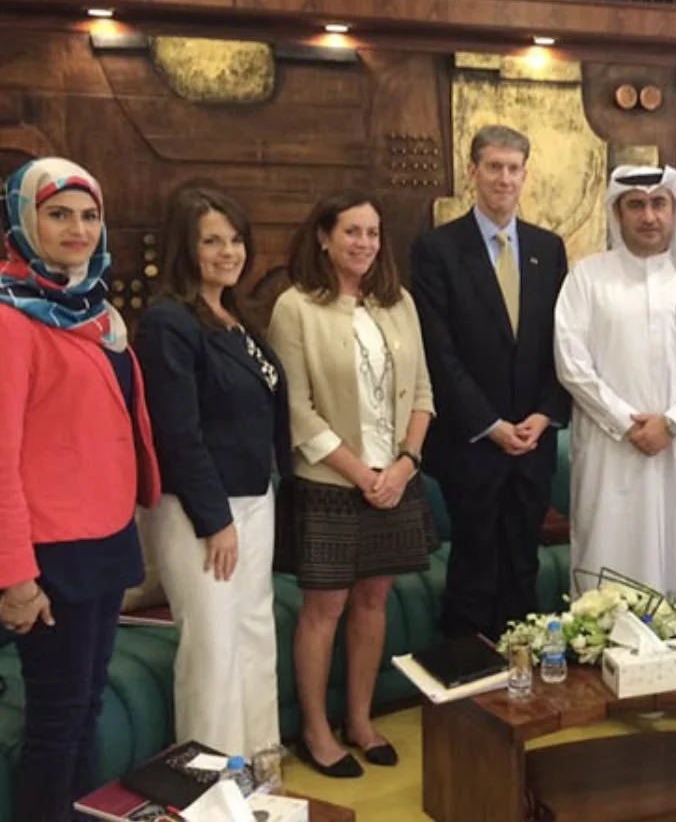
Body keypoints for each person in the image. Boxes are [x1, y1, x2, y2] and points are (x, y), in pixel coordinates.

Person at [0, 157, 160, 821]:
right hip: (50, 554)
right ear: (21, 221)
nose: (78, 229)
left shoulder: (92, 313)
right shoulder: (11, 321)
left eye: (89, 215)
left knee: (87, 707)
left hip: (105, 537)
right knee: (58, 718)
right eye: (58, 213)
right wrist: (16, 578)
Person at [268, 189, 436, 777]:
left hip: (395, 479)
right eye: (351, 232)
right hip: (330, 483)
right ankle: (316, 731)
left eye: (372, 233)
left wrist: (404, 465)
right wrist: (362, 473)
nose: (364, 243)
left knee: (373, 600)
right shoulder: (295, 307)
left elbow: (422, 391)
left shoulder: (399, 302)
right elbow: (295, 409)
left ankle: (360, 721)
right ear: (323, 237)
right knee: (326, 608)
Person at [134, 187, 290, 760]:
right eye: (212, 241)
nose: (229, 252)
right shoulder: (167, 323)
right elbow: (178, 433)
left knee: (254, 632)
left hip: (254, 497)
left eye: (235, 239)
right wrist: (214, 520)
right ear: (186, 247)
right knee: (213, 649)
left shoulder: (235, 315)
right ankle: (211, 781)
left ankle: (259, 766)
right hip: (199, 510)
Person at [410, 125, 570, 641]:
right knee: (474, 571)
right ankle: (466, 676)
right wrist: (490, 424)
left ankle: (521, 673)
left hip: (533, 442)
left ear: (525, 175)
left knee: (522, 568)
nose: (504, 178)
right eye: (494, 167)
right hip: (471, 443)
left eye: (513, 168)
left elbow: (561, 344)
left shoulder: (549, 248)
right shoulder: (437, 249)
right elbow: (439, 352)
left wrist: (544, 415)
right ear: (473, 171)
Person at [555, 165, 676, 604]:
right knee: (608, 559)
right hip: (611, 448)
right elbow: (572, 364)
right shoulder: (586, 277)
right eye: (636, 205)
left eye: (659, 203)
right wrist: (627, 422)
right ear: (618, 213)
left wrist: (672, 422)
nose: (649, 216)